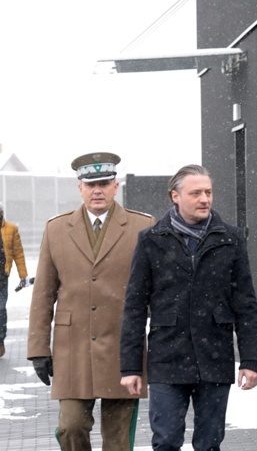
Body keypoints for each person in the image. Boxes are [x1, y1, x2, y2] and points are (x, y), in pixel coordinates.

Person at [120, 164, 257, 451]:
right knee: (166, 441)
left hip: (214, 357)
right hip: (167, 359)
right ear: (175, 196)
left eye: (208, 192)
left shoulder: (230, 239)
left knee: (209, 444)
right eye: (196, 193)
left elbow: (246, 304)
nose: (204, 199)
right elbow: (134, 307)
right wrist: (131, 366)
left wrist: (250, 360)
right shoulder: (151, 241)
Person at [27, 152, 155, 451]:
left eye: (104, 183)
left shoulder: (142, 227)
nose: (97, 190)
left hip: (124, 350)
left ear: (116, 186)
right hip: (73, 349)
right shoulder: (56, 229)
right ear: (79, 188)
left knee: (118, 439)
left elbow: (158, 290)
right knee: (70, 427)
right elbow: (43, 293)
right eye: (90, 184)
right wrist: (37, 349)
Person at [0, 202, 29, 357]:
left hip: (2, 277)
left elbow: (18, 253)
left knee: (0, 310)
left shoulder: (11, 229)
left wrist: (23, 275)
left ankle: (0, 339)